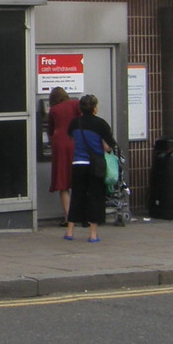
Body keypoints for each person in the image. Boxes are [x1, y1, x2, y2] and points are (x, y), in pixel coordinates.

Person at [65, 94, 117, 244]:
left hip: (78, 164)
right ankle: (93, 234)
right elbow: (108, 146)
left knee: (77, 196)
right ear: (94, 108)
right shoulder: (101, 124)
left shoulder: (75, 123)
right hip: (95, 165)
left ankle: (69, 231)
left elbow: (72, 138)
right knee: (95, 197)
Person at [46, 87, 82, 223]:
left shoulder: (53, 110)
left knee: (63, 183)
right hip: (76, 142)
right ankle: (80, 214)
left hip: (60, 144)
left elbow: (50, 130)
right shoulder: (75, 104)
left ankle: (68, 217)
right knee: (78, 179)